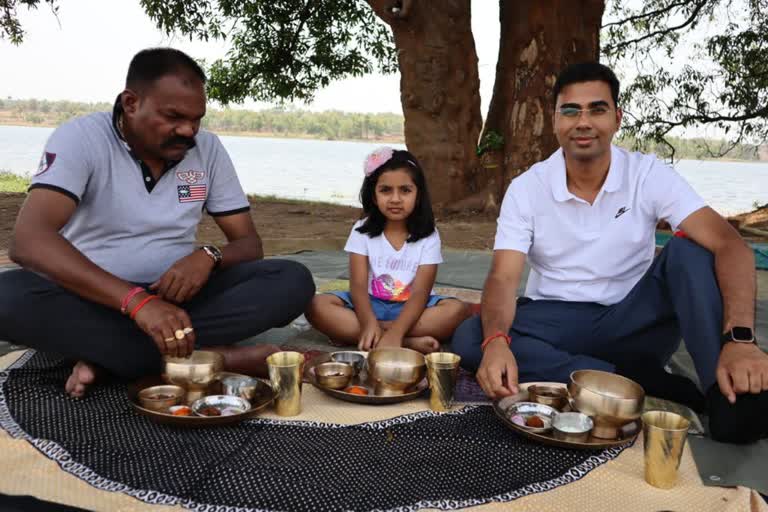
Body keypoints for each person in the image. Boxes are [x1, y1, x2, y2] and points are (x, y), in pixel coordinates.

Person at [452, 62, 768, 443]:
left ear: (617, 118)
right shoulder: (527, 188)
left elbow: (731, 246)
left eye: (597, 109)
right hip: (557, 320)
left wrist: (741, 340)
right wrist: (496, 342)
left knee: (690, 251)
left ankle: (725, 393)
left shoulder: (647, 174)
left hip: (634, 319)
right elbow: (503, 277)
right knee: (473, 336)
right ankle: (627, 377)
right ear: (554, 121)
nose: (583, 122)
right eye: (570, 111)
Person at [0, 48, 315, 397]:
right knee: (6, 296)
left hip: (178, 300)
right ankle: (215, 357)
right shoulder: (82, 138)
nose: (188, 130)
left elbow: (248, 245)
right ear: (131, 103)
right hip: (91, 298)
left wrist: (208, 257)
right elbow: (28, 240)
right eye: (174, 116)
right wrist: (137, 302)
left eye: (197, 119)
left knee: (291, 280)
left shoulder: (207, 149)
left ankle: (111, 356)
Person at [305, 147, 469, 354]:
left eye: (405, 190)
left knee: (458, 311)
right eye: (385, 190)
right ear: (373, 195)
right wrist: (368, 322)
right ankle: (407, 342)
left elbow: (420, 292)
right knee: (317, 305)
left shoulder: (428, 235)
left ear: (418, 195)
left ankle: (377, 336)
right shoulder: (361, 230)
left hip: (414, 310)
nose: (395, 199)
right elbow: (357, 284)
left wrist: (397, 330)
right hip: (368, 304)